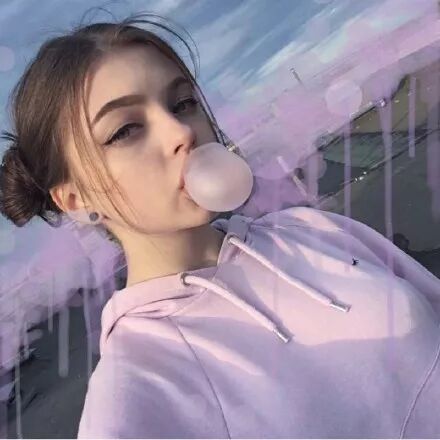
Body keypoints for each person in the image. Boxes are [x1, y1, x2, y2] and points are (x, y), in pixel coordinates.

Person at [1, 10, 440, 439]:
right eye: (126, 130)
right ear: (75, 199)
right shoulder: (136, 389)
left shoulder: (311, 229)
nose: (180, 132)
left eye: (183, 103)